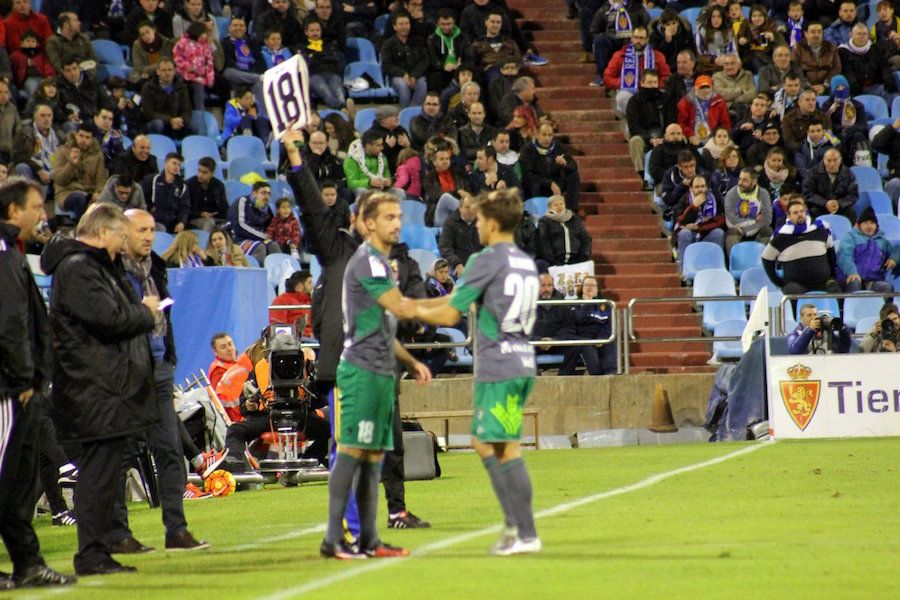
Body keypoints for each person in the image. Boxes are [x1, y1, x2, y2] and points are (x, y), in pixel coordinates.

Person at [413, 188, 542, 556]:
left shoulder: (486, 260)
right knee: (489, 443)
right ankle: (517, 529)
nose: (478, 226)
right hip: (520, 358)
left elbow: (450, 313)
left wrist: (408, 309)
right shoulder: (523, 261)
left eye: (481, 219)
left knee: (502, 447)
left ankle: (524, 533)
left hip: (499, 364)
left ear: (494, 222)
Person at [40, 203, 160, 575]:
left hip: (103, 387)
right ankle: (91, 554)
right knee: (97, 475)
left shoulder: (90, 267)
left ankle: (100, 549)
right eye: (122, 236)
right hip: (92, 388)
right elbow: (108, 319)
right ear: (104, 232)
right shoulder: (79, 269)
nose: (124, 246)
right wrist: (145, 312)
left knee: (105, 474)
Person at [318, 188, 431, 559]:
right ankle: (333, 539)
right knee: (351, 452)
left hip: (382, 372)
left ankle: (369, 539)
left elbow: (384, 325)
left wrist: (411, 361)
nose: (397, 223)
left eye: (399, 217)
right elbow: (398, 307)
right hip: (361, 371)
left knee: (373, 458)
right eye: (388, 217)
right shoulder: (366, 261)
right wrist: (459, 301)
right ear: (367, 224)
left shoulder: (383, 263)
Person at [110, 208, 210, 554]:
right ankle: (118, 534)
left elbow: (163, 317)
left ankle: (177, 530)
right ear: (123, 232)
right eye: (141, 229)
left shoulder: (156, 267)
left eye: (152, 229)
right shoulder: (111, 270)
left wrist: (169, 357)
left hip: (159, 369)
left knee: (170, 450)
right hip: (127, 373)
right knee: (120, 455)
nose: (149, 236)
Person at [0, 177, 77, 590]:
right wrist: (23, 376)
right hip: (10, 390)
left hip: (21, 389)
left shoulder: (13, 251)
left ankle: (28, 563)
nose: (42, 215)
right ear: (14, 211)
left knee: (19, 481)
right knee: (5, 476)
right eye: (35, 207)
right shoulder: (2, 254)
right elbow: (9, 322)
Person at [761, 196, 841, 296]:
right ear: (788, 216)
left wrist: (832, 275)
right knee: (792, 294)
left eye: (801, 211)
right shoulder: (781, 236)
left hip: (823, 281)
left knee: (836, 292)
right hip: (796, 285)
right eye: (795, 213)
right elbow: (766, 258)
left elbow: (831, 256)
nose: (800, 215)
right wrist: (777, 280)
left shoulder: (821, 230)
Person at [602, 25, 670, 115]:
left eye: (641, 38)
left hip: (652, 90)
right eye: (636, 37)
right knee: (621, 97)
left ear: (647, 39)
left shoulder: (658, 56)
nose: (638, 41)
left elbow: (667, 77)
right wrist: (625, 82)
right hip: (629, 91)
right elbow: (607, 78)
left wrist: (653, 83)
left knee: (664, 96)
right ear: (631, 38)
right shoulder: (619, 56)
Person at [519, 122, 581, 212]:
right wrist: (549, 183)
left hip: (556, 182)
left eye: (550, 135)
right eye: (544, 135)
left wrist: (565, 163)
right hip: (538, 183)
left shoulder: (558, 146)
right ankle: (537, 213)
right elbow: (527, 175)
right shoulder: (527, 149)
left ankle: (572, 211)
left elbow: (573, 166)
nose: (547, 138)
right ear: (536, 134)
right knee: (534, 184)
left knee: (574, 175)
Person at [625, 69, 674, 183]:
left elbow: (671, 120)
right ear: (642, 83)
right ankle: (642, 176)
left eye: (655, 82)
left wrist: (665, 136)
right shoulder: (634, 101)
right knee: (635, 141)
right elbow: (634, 127)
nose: (652, 86)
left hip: (663, 133)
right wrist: (650, 139)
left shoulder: (665, 98)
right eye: (649, 83)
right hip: (644, 135)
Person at [51, 124, 107, 221]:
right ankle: (80, 230)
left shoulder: (97, 156)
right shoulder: (63, 151)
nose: (83, 140)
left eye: (87, 137)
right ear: (76, 135)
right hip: (67, 193)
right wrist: (72, 164)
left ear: (92, 139)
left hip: (89, 193)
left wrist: (98, 192)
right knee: (80, 198)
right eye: (81, 136)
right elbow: (59, 180)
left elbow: (100, 180)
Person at [836, 208, 898, 294]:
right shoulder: (850, 237)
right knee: (855, 282)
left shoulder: (883, 241)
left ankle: (881, 307)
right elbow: (845, 256)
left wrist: (894, 258)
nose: (869, 226)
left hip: (872, 281)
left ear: (876, 226)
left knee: (886, 287)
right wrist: (852, 272)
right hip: (850, 277)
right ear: (859, 225)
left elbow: (896, 250)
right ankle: (849, 306)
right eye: (865, 223)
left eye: (872, 223)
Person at [563, 276, 616, 375]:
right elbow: (579, 320)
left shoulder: (606, 304)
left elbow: (609, 326)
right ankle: (597, 376)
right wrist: (587, 304)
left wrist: (601, 338)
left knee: (610, 342)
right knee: (588, 349)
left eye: (592, 285)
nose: (589, 288)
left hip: (600, 336)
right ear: (582, 288)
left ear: (597, 289)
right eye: (586, 285)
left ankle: (611, 373)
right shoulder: (575, 305)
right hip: (584, 337)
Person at [381, 11, 428, 109]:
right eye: (401, 24)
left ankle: (411, 113)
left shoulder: (418, 41)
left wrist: (414, 75)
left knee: (422, 84)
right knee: (403, 86)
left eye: (407, 23)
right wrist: (403, 74)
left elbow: (424, 61)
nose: (404, 26)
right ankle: (406, 113)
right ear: (395, 27)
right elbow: (387, 64)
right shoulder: (388, 44)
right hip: (397, 76)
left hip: (416, 75)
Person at [227, 180, 280, 265]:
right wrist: (262, 236)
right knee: (259, 247)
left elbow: (271, 226)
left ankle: (278, 275)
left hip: (258, 239)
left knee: (274, 245)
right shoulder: (243, 201)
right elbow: (240, 225)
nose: (267, 197)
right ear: (254, 193)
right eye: (263, 193)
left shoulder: (266, 208)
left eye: (269, 194)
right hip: (239, 239)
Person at [140, 59, 194, 139]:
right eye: (164, 70)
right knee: (158, 124)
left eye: (170, 70)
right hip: (157, 121)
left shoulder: (181, 87)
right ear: (158, 72)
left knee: (192, 126)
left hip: (176, 122)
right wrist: (170, 120)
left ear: (174, 71)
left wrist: (181, 119)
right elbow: (149, 113)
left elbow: (186, 109)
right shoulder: (148, 88)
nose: (167, 73)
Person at [723, 167, 773, 255]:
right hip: (738, 229)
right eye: (740, 179)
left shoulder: (763, 193)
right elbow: (731, 220)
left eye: (745, 180)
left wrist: (747, 228)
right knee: (732, 233)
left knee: (767, 230)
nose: (740, 183)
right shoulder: (731, 194)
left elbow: (767, 219)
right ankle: (736, 264)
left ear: (754, 181)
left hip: (752, 229)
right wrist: (754, 221)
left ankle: (760, 263)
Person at [801, 147, 858, 221]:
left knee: (851, 212)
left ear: (840, 160)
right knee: (813, 212)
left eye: (835, 160)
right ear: (824, 160)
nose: (832, 164)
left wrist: (839, 203)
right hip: (819, 207)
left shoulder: (848, 173)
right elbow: (807, 193)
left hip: (840, 207)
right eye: (829, 160)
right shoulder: (812, 172)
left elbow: (853, 194)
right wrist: (824, 203)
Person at [537, 194, 592, 267]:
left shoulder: (574, 219)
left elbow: (586, 238)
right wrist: (552, 261)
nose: (559, 207)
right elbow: (543, 241)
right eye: (555, 205)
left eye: (561, 204)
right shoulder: (544, 221)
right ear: (549, 207)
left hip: (576, 260)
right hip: (554, 262)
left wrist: (583, 257)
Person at [676, 75, 732, 147]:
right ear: (695, 88)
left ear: (712, 87)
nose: (705, 90)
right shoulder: (686, 102)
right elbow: (681, 123)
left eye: (707, 87)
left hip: (713, 137)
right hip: (692, 137)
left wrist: (718, 137)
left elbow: (725, 123)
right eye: (701, 87)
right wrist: (690, 135)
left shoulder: (719, 101)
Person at [141, 152, 190, 234]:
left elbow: (185, 207)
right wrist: (149, 210)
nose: (176, 167)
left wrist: (182, 222)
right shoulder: (152, 179)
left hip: (173, 221)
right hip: (154, 220)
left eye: (178, 165)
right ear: (165, 164)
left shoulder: (182, 186)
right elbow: (143, 199)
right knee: (160, 228)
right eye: (174, 163)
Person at [791, 20, 841, 95]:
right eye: (813, 32)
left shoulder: (831, 47)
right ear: (806, 34)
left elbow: (836, 68)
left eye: (819, 32)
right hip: (805, 86)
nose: (816, 35)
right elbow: (795, 69)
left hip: (828, 86)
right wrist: (808, 86)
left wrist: (825, 85)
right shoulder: (798, 48)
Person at [439, 192, 482, 277]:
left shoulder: (481, 223)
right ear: (460, 208)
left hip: (479, 265)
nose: (471, 211)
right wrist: (457, 263)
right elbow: (445, 247)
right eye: (467, 207)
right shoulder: (450, 223)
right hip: (459, 264)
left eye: (473, 208)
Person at [186, 157, 227, 231]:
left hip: (216, 218)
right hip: (195, 218)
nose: (200, 175)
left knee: (228, 224)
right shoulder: (189, 184)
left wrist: (216, 214)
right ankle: (206, 242)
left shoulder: (218, 185)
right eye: (199, 171)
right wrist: (200, 214)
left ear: (212, 173)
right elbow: (185, 208)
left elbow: (224, 206)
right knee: (209, 223)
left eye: (204, 172)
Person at [270, 270, 314, 338]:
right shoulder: (281, 301)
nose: (312, 286)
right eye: (309, 283)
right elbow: (279, 329)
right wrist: (307, 335)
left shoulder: (311, 301)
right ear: (299, 286)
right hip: (294, 340)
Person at [872, 118, 900, 204]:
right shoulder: (896, 137)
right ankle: (890, 214)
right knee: (894, 184)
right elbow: (876, 144)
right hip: (897, 177)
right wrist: (892, 128)